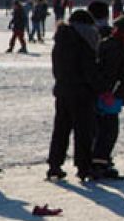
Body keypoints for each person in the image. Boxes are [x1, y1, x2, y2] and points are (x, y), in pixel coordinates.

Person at [46, 9, 107, 181]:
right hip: (82, 92)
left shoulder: (61, 39)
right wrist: (100, 87)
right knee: (84, 131)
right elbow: (89, 69)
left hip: (63, 89)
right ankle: (83, 167)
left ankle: (54, 165)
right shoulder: (85, 39)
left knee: (61, 129)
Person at [92, 14, 124, 179]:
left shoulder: (112, 44)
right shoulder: (117, 47)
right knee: (108, 130)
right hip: (109, 94)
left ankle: (101, 160)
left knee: (104, 129)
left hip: (109, 93)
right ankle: (100, 162)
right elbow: (111, 73)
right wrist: (108, 92)